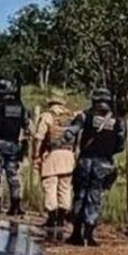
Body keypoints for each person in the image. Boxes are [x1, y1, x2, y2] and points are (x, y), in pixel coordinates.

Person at [65, 88, 126, 247]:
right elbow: (121, 145)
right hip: (104, 163)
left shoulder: (85, 115)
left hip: (85, 161)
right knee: (95, 196)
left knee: (80, 195)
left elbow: (72, 131)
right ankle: (89, 235)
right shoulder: (118, 121)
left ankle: (76, 233)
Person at [0, 79, 31, 216]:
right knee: (13, 175)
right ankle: (15, 205)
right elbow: (26, 125)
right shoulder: (21, 107)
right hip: (13, 145)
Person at [33, 96, 76, 228]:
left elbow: (39, 137)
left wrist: (36, 154)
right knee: (65, 186)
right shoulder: (71, 117)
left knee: (50, 184)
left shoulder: (47, 116)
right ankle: (62, 218)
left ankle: (52, 218)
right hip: (69, 154)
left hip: (52, 154)